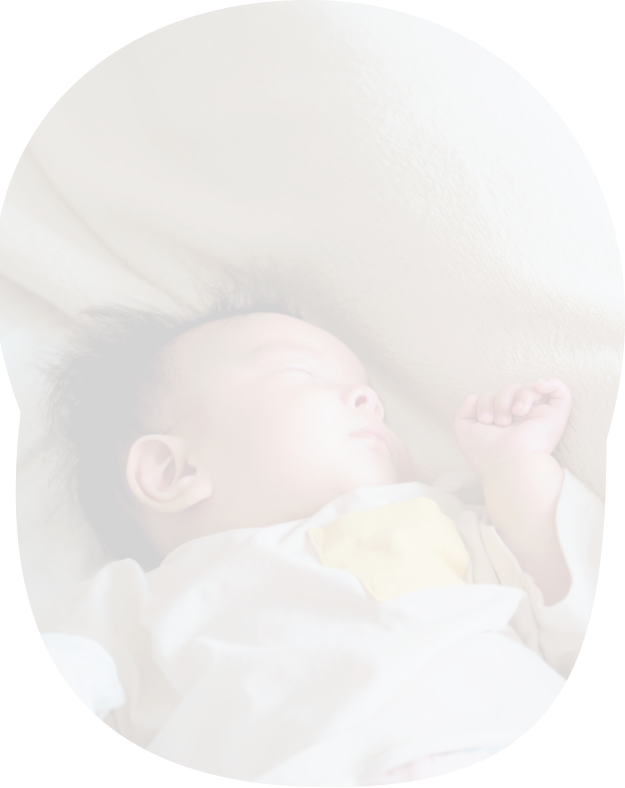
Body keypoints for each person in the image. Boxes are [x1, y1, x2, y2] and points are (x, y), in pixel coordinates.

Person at [34, 269, 603, 785]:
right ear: (173, 471)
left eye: (377, 401)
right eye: (300, 372)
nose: (368, 400)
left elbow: (565, 604)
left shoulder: (437, 515)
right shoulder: (131, 607)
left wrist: (514, 466)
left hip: (491, 727)